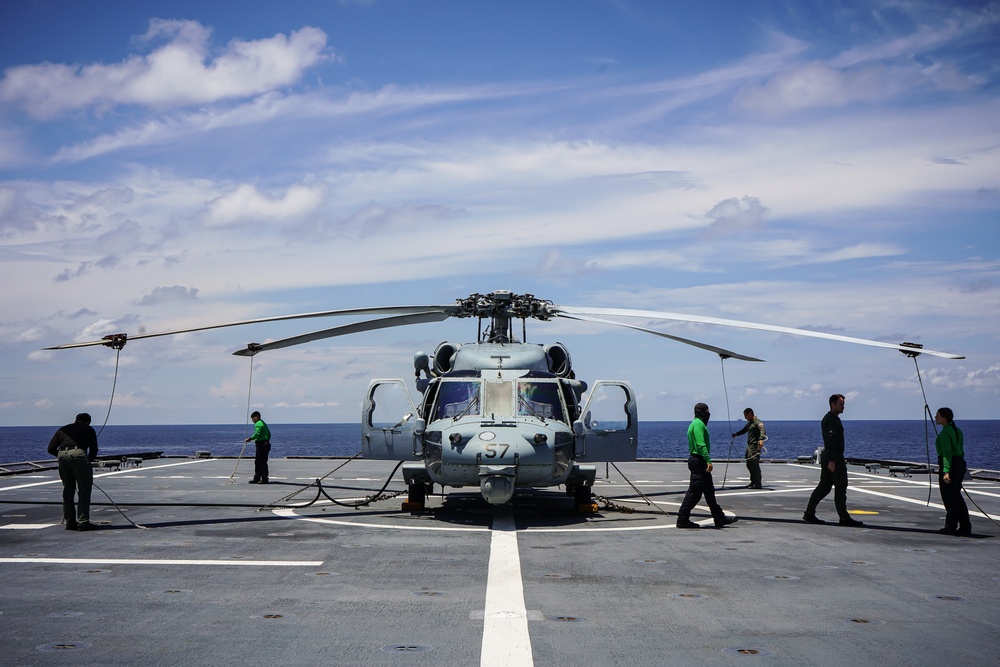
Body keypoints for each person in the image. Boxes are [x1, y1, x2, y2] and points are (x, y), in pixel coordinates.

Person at [803, 394, 864, 527]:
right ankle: (844, 517)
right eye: (841, 404)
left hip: (831, 457)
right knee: (841, 486)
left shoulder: (833, 419)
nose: (843, 406)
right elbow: (829, 440)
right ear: (833, 404)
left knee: (824, 487)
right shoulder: (831, 420)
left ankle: (809, 513)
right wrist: (831, 460)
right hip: (834, 457)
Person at [676, 403, 737, 529]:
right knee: (694, 493)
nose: (708, 413)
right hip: (699, 461)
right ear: (702, 412)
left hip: (698, 460)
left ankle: (719, 518)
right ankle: (682, 519)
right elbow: (701, 444)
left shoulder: (695, 423)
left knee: (709, 492)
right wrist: (708, 460)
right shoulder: (698, 424)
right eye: (707, 411)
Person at [47, 412, 99, 531]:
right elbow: (94, 449)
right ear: (88, 422)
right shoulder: (89, 429)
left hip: (62, 454)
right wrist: (87, 461)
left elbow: (50, 449)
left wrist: (62, 456)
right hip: (79, 454)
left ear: (75, 420)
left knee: (68, 489)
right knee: (84, 489)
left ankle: (70, 522)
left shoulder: (62, 429)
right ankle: (83, 522)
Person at [934, 407, 972, 536]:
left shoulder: (945, 433)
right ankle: (965, 526)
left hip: (951, 465)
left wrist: (946, 471)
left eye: (938, 415)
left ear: (944, 418)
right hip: (959, 463)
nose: (935, 417)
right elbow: (960, 450)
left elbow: (947, 453)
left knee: (950, 498)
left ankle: (950, 526)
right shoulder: (957, 430)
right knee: (957, 497)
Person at [732, 407, 766, 489]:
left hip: (754, 447)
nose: (745, 418)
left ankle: (757, 483)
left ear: (750, 414)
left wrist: (761, 439)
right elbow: (744, 430)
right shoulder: (750, 423)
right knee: (749, 465)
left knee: (754, 465)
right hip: (749, 447)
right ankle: (753, 482)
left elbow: (762, 430)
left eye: (745, 415)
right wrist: (736, 434)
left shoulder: (757, 422)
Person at [244, 411, 272, 484]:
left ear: (256, 417)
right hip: (266, 443)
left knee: (261, 462)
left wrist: (250, 439)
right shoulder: (263, 423)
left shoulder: (258, 424)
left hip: (261, 444)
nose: (253, 420)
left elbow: (257, 433)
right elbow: (269, 434)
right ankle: (258, 477)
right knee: (259, 462)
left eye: (253, 418)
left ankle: (263, 479)